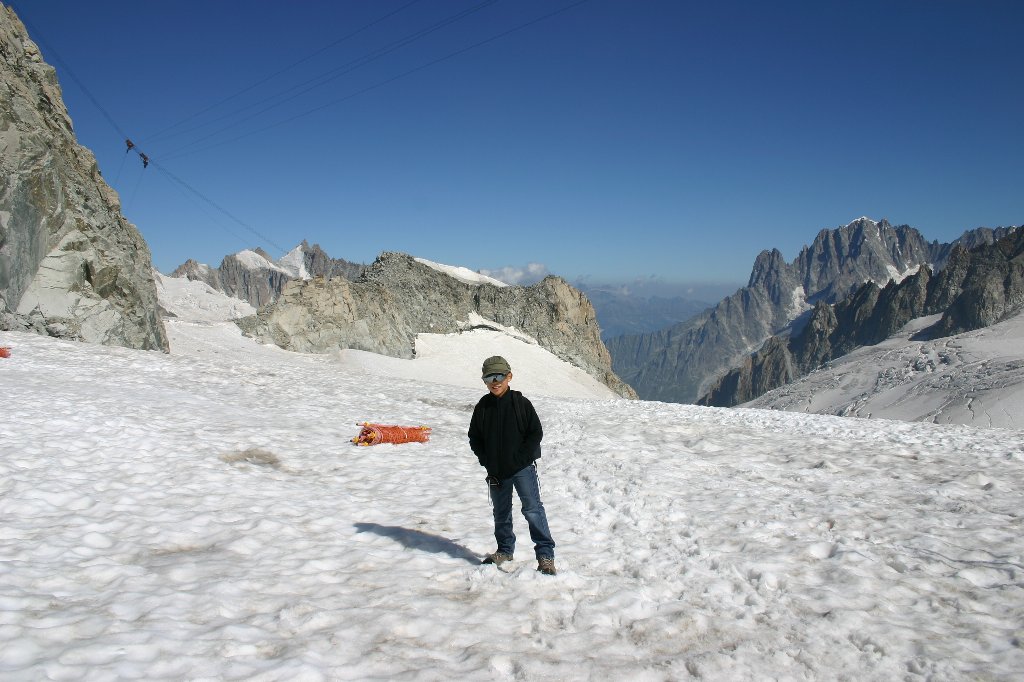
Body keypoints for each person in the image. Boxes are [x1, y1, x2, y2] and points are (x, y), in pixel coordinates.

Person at [468, 355, 556, 575]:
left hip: (522, 469)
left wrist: (521, 459)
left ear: (509, 377)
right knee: (501, 512)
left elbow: (535, 432)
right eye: (489, 377)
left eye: (499, 376)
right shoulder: (482, 407)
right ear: (484, 380)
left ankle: (545, 555)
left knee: (533, 509)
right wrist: (486, 460)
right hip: (496, 471)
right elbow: (474, 437)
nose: (495, 381)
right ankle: (505, 550)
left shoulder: (521, 404)